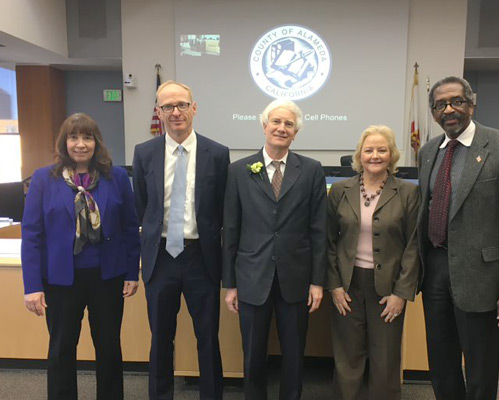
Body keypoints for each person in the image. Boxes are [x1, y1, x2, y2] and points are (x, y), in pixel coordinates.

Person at [417, 76, 499, 400]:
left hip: (482, 277)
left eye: (457, 101)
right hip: (436, 271)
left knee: (481, 370)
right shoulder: (428, 152)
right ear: (434, 112)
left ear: (472, 103)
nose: (449, 109)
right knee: (441, 364)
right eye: (441, 105)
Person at [21, 113, 141, 400]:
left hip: (107, 276)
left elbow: (129, 227)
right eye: (73, 137)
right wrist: (32, 286)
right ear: (64, 142)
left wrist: (131, 272)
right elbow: (32, 235)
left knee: (109, 347)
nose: (80, 144)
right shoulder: (42, 179)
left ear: (96, 142)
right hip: (61, 280)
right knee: (61, 348)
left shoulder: (117, 177)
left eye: (87, 137)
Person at [222, 99, 327, 400]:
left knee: (294, 355)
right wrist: (229, 284)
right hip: (251, 277)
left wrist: (317, 281)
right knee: (253, 354)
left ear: (296, 133)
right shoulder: (239, 170)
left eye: (289, 124)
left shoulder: (311, 170)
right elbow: (231, 229)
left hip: (296, 278)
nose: (282, 128)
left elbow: (318, 229)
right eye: (276, 122)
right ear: (264, 126)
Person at [132, 80, 229, 400]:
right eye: (168, 106)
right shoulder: (144, 153)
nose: (176, 112)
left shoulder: (217, 153)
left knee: (207, 336)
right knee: (160, 337)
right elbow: (142, 205)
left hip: (201, 256)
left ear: (194, 108)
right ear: (158, 112)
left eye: (182, 105)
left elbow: (221, 208)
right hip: (160, 257)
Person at [327, 125, 420, 400]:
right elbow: (328, 241)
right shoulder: (340, 190)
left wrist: (401, 294)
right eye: (369, 150)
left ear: (391, 155)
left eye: (382, 150)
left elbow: (413, 245)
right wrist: (334, 285)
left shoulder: (407, 192)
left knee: (386, 358)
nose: (375, 155)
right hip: (348, 285)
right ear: (360, 155)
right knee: (348, 357)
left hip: (388, 288)